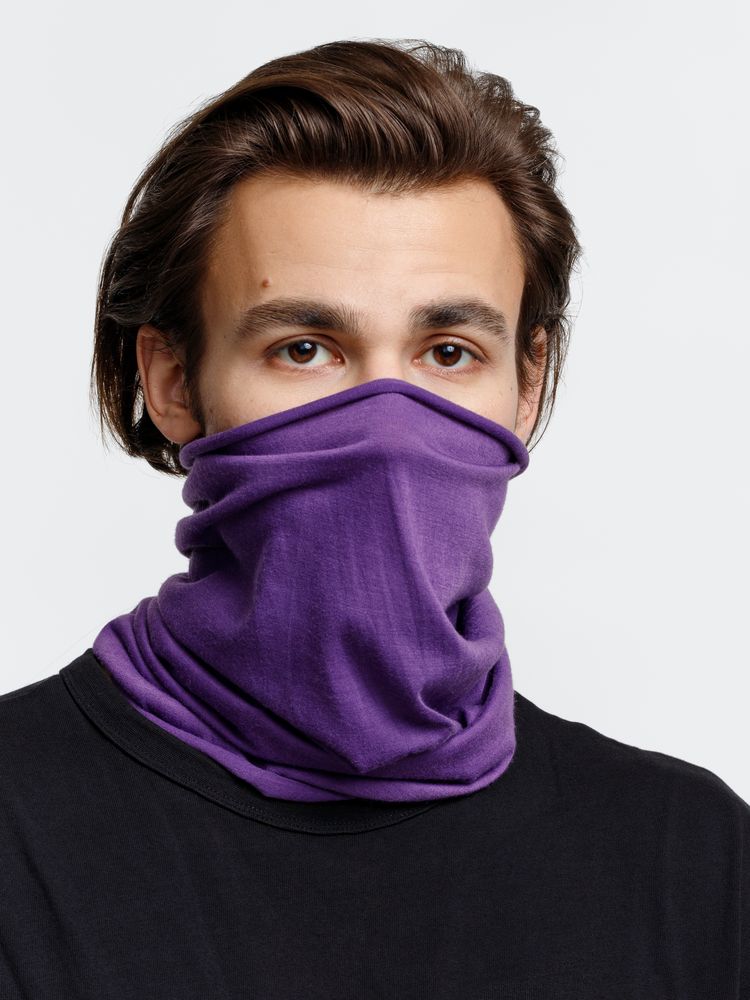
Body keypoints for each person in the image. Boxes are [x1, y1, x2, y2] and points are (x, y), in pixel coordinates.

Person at [1, 36, 747, 999]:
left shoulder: (693, 861)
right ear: (174, 381)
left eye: (448, 352)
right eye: (305, 348)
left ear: (527, 386)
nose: (387, 427)